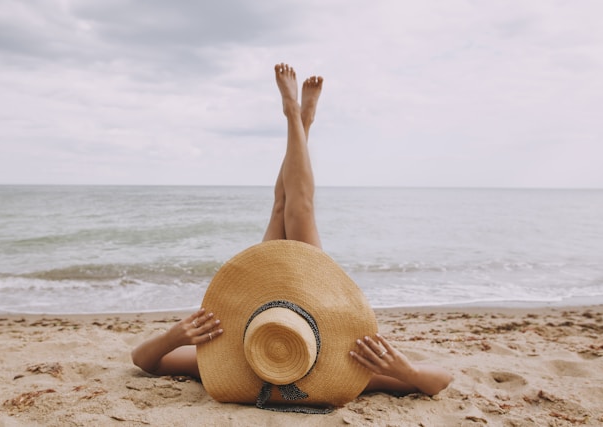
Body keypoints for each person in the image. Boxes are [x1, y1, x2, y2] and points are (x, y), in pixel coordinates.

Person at [131, 63, 453, 398]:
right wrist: (408, 371)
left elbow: (144, 361)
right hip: (308, 296)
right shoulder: (349, 370)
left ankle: (296, 116)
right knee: (300, 208)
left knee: (281, 208)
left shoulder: (239, 362)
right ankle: (299, 119)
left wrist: (175, 337)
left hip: (263, 300)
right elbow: (441, 380)